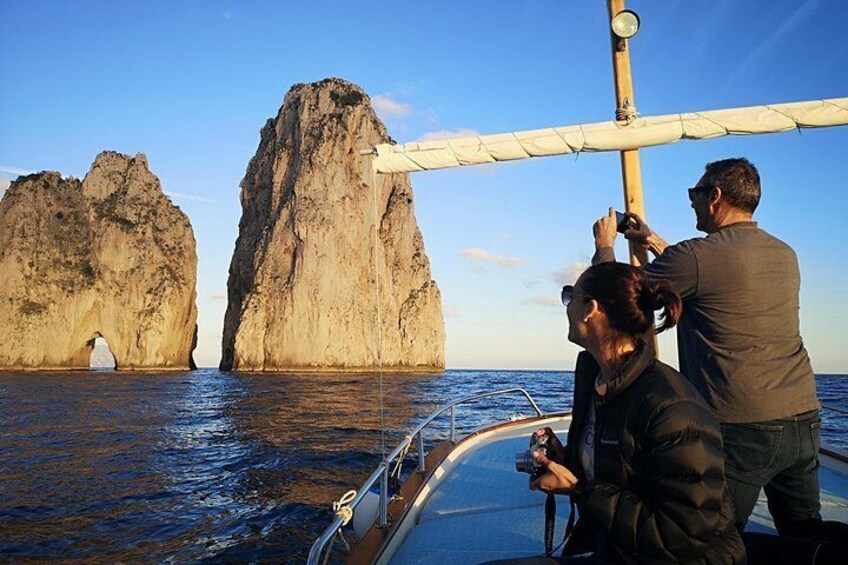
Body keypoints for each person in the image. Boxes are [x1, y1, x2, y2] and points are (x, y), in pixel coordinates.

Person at [590, 158, 824, 537]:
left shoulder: (698, 256)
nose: (692, 202)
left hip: (742, 426)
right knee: (804, 536)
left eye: (695, 193)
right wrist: (650, 239)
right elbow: (708, 273)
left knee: (713, 540)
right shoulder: (784, 253)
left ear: (714, 197)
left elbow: (618, 293)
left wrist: (605, 245)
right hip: (803, 419)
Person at [529, 262, 745, 564]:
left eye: (570, 297)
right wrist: (567, 462)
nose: (566, 307)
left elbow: (680, 536)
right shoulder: (599, 381)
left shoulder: (672, 408)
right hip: (619, 549)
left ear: (590, 308)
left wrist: (579, 490)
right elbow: (617, 470)